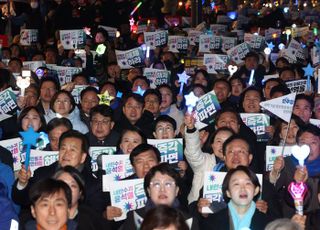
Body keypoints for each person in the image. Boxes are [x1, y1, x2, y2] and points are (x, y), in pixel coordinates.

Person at [12, 130, 106, 218]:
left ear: (83, 157)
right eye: (63, 148)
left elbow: (93, 217)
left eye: (72, 150)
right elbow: (22, 200)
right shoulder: (42, 174)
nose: (66, 154)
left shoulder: (93, 185)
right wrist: (22, 183)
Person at [269, 124, 320, 227]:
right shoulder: (286, 163)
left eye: (313, 143)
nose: (308, 148)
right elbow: (271, 189)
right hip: (292, 222)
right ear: (297, 144)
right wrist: (275, 171)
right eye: (303, 143)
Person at [121, 163, 198, 229]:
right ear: (149, 191)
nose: (162, 190)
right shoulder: (134, 217)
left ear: (177, 191)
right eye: (156, 184)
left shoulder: (189, 221)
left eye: (168, 184)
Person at [184, 109, 235, 203]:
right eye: (219, 141)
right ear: (212, 145)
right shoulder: (204, 161)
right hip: (198, 209)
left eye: (227, 141)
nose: (222, 145)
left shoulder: (239, 165)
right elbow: (192, 152)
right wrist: (191, 128)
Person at [201, 166, 269, 230]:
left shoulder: (269, 224)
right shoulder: (211, 223)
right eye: (236, 184)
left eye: (247, 183)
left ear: (256, 190)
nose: (242, 188)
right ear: (228, 193)